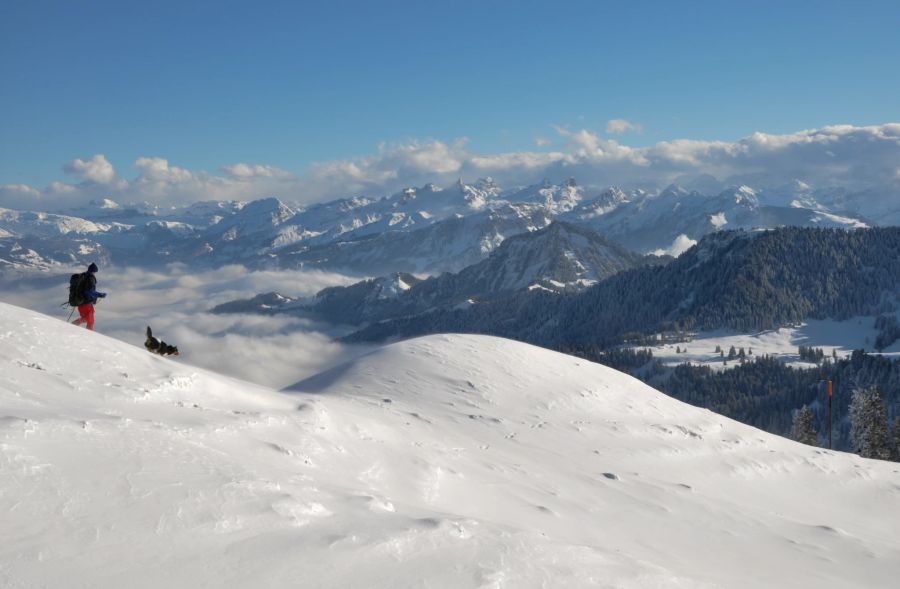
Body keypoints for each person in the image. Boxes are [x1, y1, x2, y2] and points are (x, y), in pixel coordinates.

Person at [72, 262, 107, 330]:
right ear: (94, 271)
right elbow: (89, 291)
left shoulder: (84, 276)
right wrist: (100, 295)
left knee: (85, 319)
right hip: (86, 303)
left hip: (80, 302)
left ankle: (72, 325)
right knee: (90, 321)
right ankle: (89, 335)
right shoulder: (90, 278)